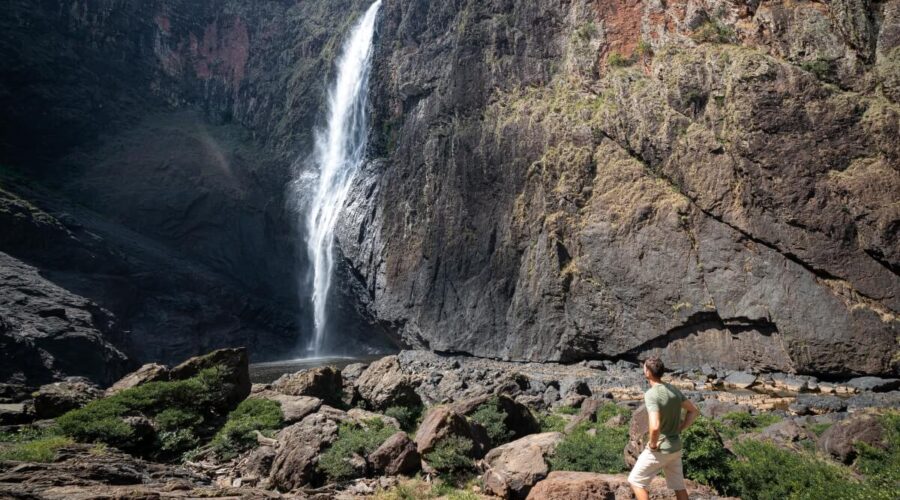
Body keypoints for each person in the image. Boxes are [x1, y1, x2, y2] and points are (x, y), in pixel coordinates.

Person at [628, 356, 700, 500]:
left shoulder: (651, 394)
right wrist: (680, 428)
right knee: (678, 486)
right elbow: (694, 411)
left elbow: (655, 427)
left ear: (648, 372)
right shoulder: (673, 389)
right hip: (675, 448)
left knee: (635, 481)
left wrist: (653, 444)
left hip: (660, 448)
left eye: (644, 368)